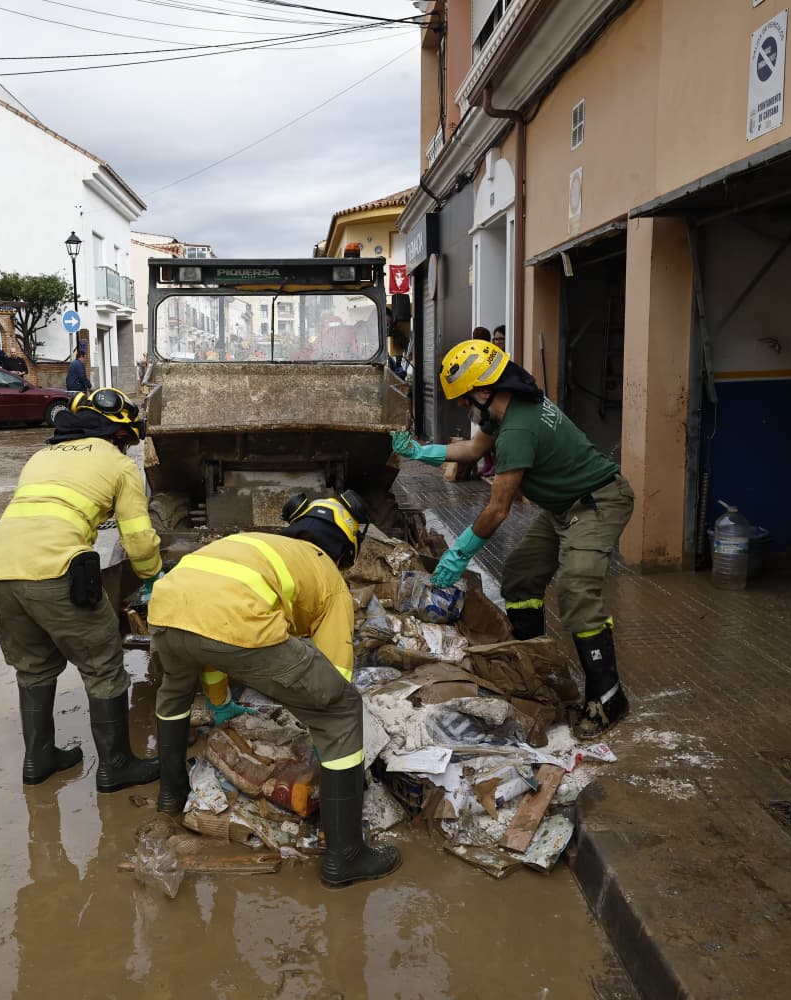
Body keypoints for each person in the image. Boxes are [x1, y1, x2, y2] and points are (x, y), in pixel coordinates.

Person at [148, 491, 400, 889]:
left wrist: (221, 705)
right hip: (234, 622)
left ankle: (170, 796)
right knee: (342, 710)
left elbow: (210, 642)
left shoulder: (254, 543)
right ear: (346, 544)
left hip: (165, 613)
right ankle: (345, 856)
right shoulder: (329, 576)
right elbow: (335, 677)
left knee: (174, 691)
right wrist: (328, 736)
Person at [391, 339, 635, 738]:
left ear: (484, 391)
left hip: (598, 503)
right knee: (521, 576)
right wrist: (419, 452)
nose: (460, 405)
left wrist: (458, 555)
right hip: (563, 509)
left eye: (463, 397)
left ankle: (608, 697)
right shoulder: (504, 413)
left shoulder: (518, 430)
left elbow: (497, 509)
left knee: (576, 591)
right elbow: (472, 449)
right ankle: (534, 668)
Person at [0, 387, 163, 792]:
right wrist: (154, 579)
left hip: (1, 570)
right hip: (56, 571)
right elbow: (138, 540)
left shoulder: (41, 455)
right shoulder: (118, 465)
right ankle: (115, 765)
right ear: (119, 435)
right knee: (102, 664)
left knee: (33, 666)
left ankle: (39, 758)